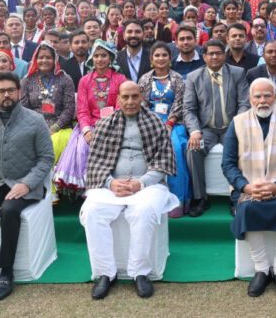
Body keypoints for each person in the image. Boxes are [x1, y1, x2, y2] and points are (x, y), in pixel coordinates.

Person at [80, 81, 179, 300]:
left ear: (142, 97)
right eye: (125, 97)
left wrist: (140, 183)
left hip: (147, 185)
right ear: (118, 99)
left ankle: (140, 273)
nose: (130, 101)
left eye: (135, 96)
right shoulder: (105, 124)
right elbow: (94, 161)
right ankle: (106, 273)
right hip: (112, 185)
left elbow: (163, 163)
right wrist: (109, 183)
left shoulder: (155, 123)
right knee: (93, 212)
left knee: (143, 211)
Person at [0, 72, 54, 301]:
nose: (7, 95)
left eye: (11, 90)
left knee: (9, 210)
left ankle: (6, 272)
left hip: (26, 183)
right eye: (1, 91)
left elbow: (46, 158)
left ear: (19, 92)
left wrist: (27, 184)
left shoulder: (35, 120)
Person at [222, 78, 276, 297]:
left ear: (275, 98)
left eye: (267, 95)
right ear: (250, 99)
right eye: (257, 96)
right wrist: (245, 187)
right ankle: (261, 268)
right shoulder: (237, 123)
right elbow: (228, 163)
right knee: (248, 208)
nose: (262, 101)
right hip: (248, 189)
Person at [184, 40, 250, 217]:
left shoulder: (237, 73)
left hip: (231, 126)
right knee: (193, 149)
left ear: (225, 54)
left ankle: (237, 197)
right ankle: (200, 198)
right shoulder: (193, 77)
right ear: (204, 56)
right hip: (207, 129)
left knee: (241, 147)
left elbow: (244, 103)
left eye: (218, 53)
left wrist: (238, 126)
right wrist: (195, 131)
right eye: (210, 53)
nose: (214, 56)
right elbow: (189, 109)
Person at [55, 41, 126, 198]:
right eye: (96, 55)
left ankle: (108, 188)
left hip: (114, 125)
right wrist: (86, 130)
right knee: (82, 147)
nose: (100, 59)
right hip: (88, 126)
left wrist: (109, 128)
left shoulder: (120, 79)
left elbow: (121, 107)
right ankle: (86, 191)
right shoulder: (85, 80)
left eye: (103, 55)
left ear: (111, 58)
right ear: (91, 58)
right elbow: (82, 110)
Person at [138, 43, 190, 218]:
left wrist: (169, 124)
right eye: (157, 55)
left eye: (164, 55)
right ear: (151, 59)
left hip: (174, 123)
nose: (160, 58)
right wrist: (153, 123)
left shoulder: (177, 79)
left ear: (170, 58)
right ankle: (147, 198)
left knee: (174, 149)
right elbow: (142, 104)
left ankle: (178, 200)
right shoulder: (145, 79)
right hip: (150, 122)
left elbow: (179, 104)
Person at [20, 43, 75, 176]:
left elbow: (69, 109)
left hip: (60, 127)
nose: (44, 61)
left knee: (55, 143)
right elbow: (23, 109)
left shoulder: (65, 79)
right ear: (35, 59)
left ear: (55, 59)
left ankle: (55, 187)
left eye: (48, 57)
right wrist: (37, 127)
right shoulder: (27, 80)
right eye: (41, 57)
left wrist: (54, 128)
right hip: (34, 126)